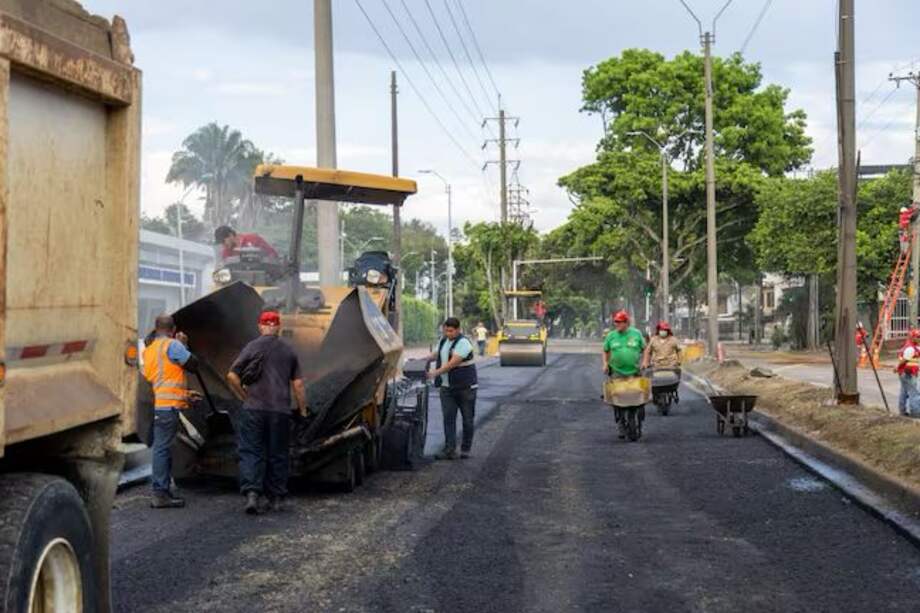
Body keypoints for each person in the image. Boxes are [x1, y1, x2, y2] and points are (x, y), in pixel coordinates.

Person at [227, 311, 307, 514]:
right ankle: (277, 498)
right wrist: (303, 411)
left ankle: (253, 494)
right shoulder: (288, 351)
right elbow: (298, 385)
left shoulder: (252, 347)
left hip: (254, 410)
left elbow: (232, 376)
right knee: (278, 454)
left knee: (252, 451)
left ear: (260, 326)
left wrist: (244, 397)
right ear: (278, 327)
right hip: (280, 412)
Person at [142, 314, 202, 509]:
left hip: (156, 405)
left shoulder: (149, 350)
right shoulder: (173, 345)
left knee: (163, 447)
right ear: (173, 329)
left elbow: (163, 378)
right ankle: (160, 493)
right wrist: (184, 345)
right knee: (162, 448)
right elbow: (193, 365)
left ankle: (164, 490)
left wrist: (184, 395)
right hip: (167, 407)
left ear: (156, 327)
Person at [426, 317, 478, 460]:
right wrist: (421, 361)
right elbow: (435, 355)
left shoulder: (463, 343)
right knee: (448, 419)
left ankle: (465, 449)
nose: (448, 333)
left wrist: (434, 373)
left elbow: (451, 364)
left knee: (467, 419)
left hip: (465, 388)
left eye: (451, 331)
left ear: (458, 329)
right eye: (446, 330)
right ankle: (449, 450)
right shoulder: (444, 341)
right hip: (447, 388)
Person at [603, 310, 646, 438]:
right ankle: (621, 421)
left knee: (636, 396)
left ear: (626, 322)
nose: (617, 324)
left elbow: (645, 350)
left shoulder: (636, 334)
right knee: (617, 397)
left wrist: (644, 362)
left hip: (634, 372)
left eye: (619, 322)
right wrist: (605, 364)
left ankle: (638, 422)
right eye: (615, 322)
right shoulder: (611, 336)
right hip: (616, 372)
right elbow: (605, 351)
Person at [215, 225, 280, 261]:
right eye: (221, 243)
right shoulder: (226, 252)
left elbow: (273, 255)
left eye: (223, 241)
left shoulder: (253, 239)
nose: (223, 245)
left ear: (231, 235)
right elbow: (224, 268)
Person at [895, 328, 920, 417]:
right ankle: (916, 413)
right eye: (917, 337)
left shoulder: (911, 346)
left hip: (904, 373)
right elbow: (904, 361)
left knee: (904, 392)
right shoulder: (910, 349)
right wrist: (896, 367)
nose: (919, 339)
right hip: (909, 373)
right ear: (912, 338)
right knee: (914, 393)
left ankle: (902, 411)